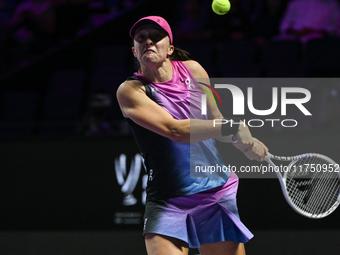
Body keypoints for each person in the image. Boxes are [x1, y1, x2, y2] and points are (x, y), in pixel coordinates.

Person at [116, 16, 268, 255]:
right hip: (168, 198)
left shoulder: (194, 70)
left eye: (156, 37)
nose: (148, 42)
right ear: (134, 50)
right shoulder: (131, 90)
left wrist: (242, 140)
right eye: (141, 38)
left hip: (215, 191)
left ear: (170, 49)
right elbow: (175, 130)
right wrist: (233, 126)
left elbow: (215, 122)